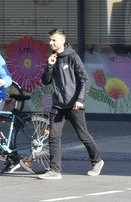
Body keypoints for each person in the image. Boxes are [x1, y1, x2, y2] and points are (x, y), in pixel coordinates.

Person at [36, 29, 104, 179]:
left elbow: (85, 80)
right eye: (50, 40)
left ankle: (97, 161)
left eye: (53, 40)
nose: (50, 43)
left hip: (74, 104)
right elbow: (45, 81)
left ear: (62, 41)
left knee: (83, 136)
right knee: (53, 136)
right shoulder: (53, 58)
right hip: (58, 104)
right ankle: (54, 170)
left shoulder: (72, 57)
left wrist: (80, 100)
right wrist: (49, 65)